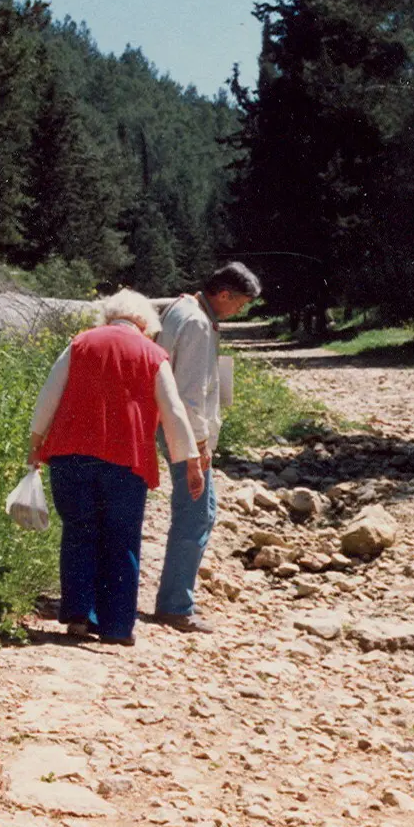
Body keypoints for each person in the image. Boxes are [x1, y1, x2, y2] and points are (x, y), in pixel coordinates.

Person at [27, 290, 201, 646]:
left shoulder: (80, 343)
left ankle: (78, 615)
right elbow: (173, 411)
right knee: (121, 541)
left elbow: (49, 394)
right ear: (146, 324)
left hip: (70, 456)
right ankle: (116, 628)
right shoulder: (153, 354)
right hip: (125, 461)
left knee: (79, 532)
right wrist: (192, 461)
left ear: (109, 317)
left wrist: (35, 442)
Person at [152, 261, 261, 632]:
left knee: (203, 510)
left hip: (173, 427)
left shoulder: (182, 308)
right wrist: (198, 448)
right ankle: (175, 606)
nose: (239, 311)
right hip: (184, 433)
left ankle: (177, 599)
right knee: (195, 513)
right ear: (224, 294)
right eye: (240, 304)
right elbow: (190, 394)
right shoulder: (198, 323)